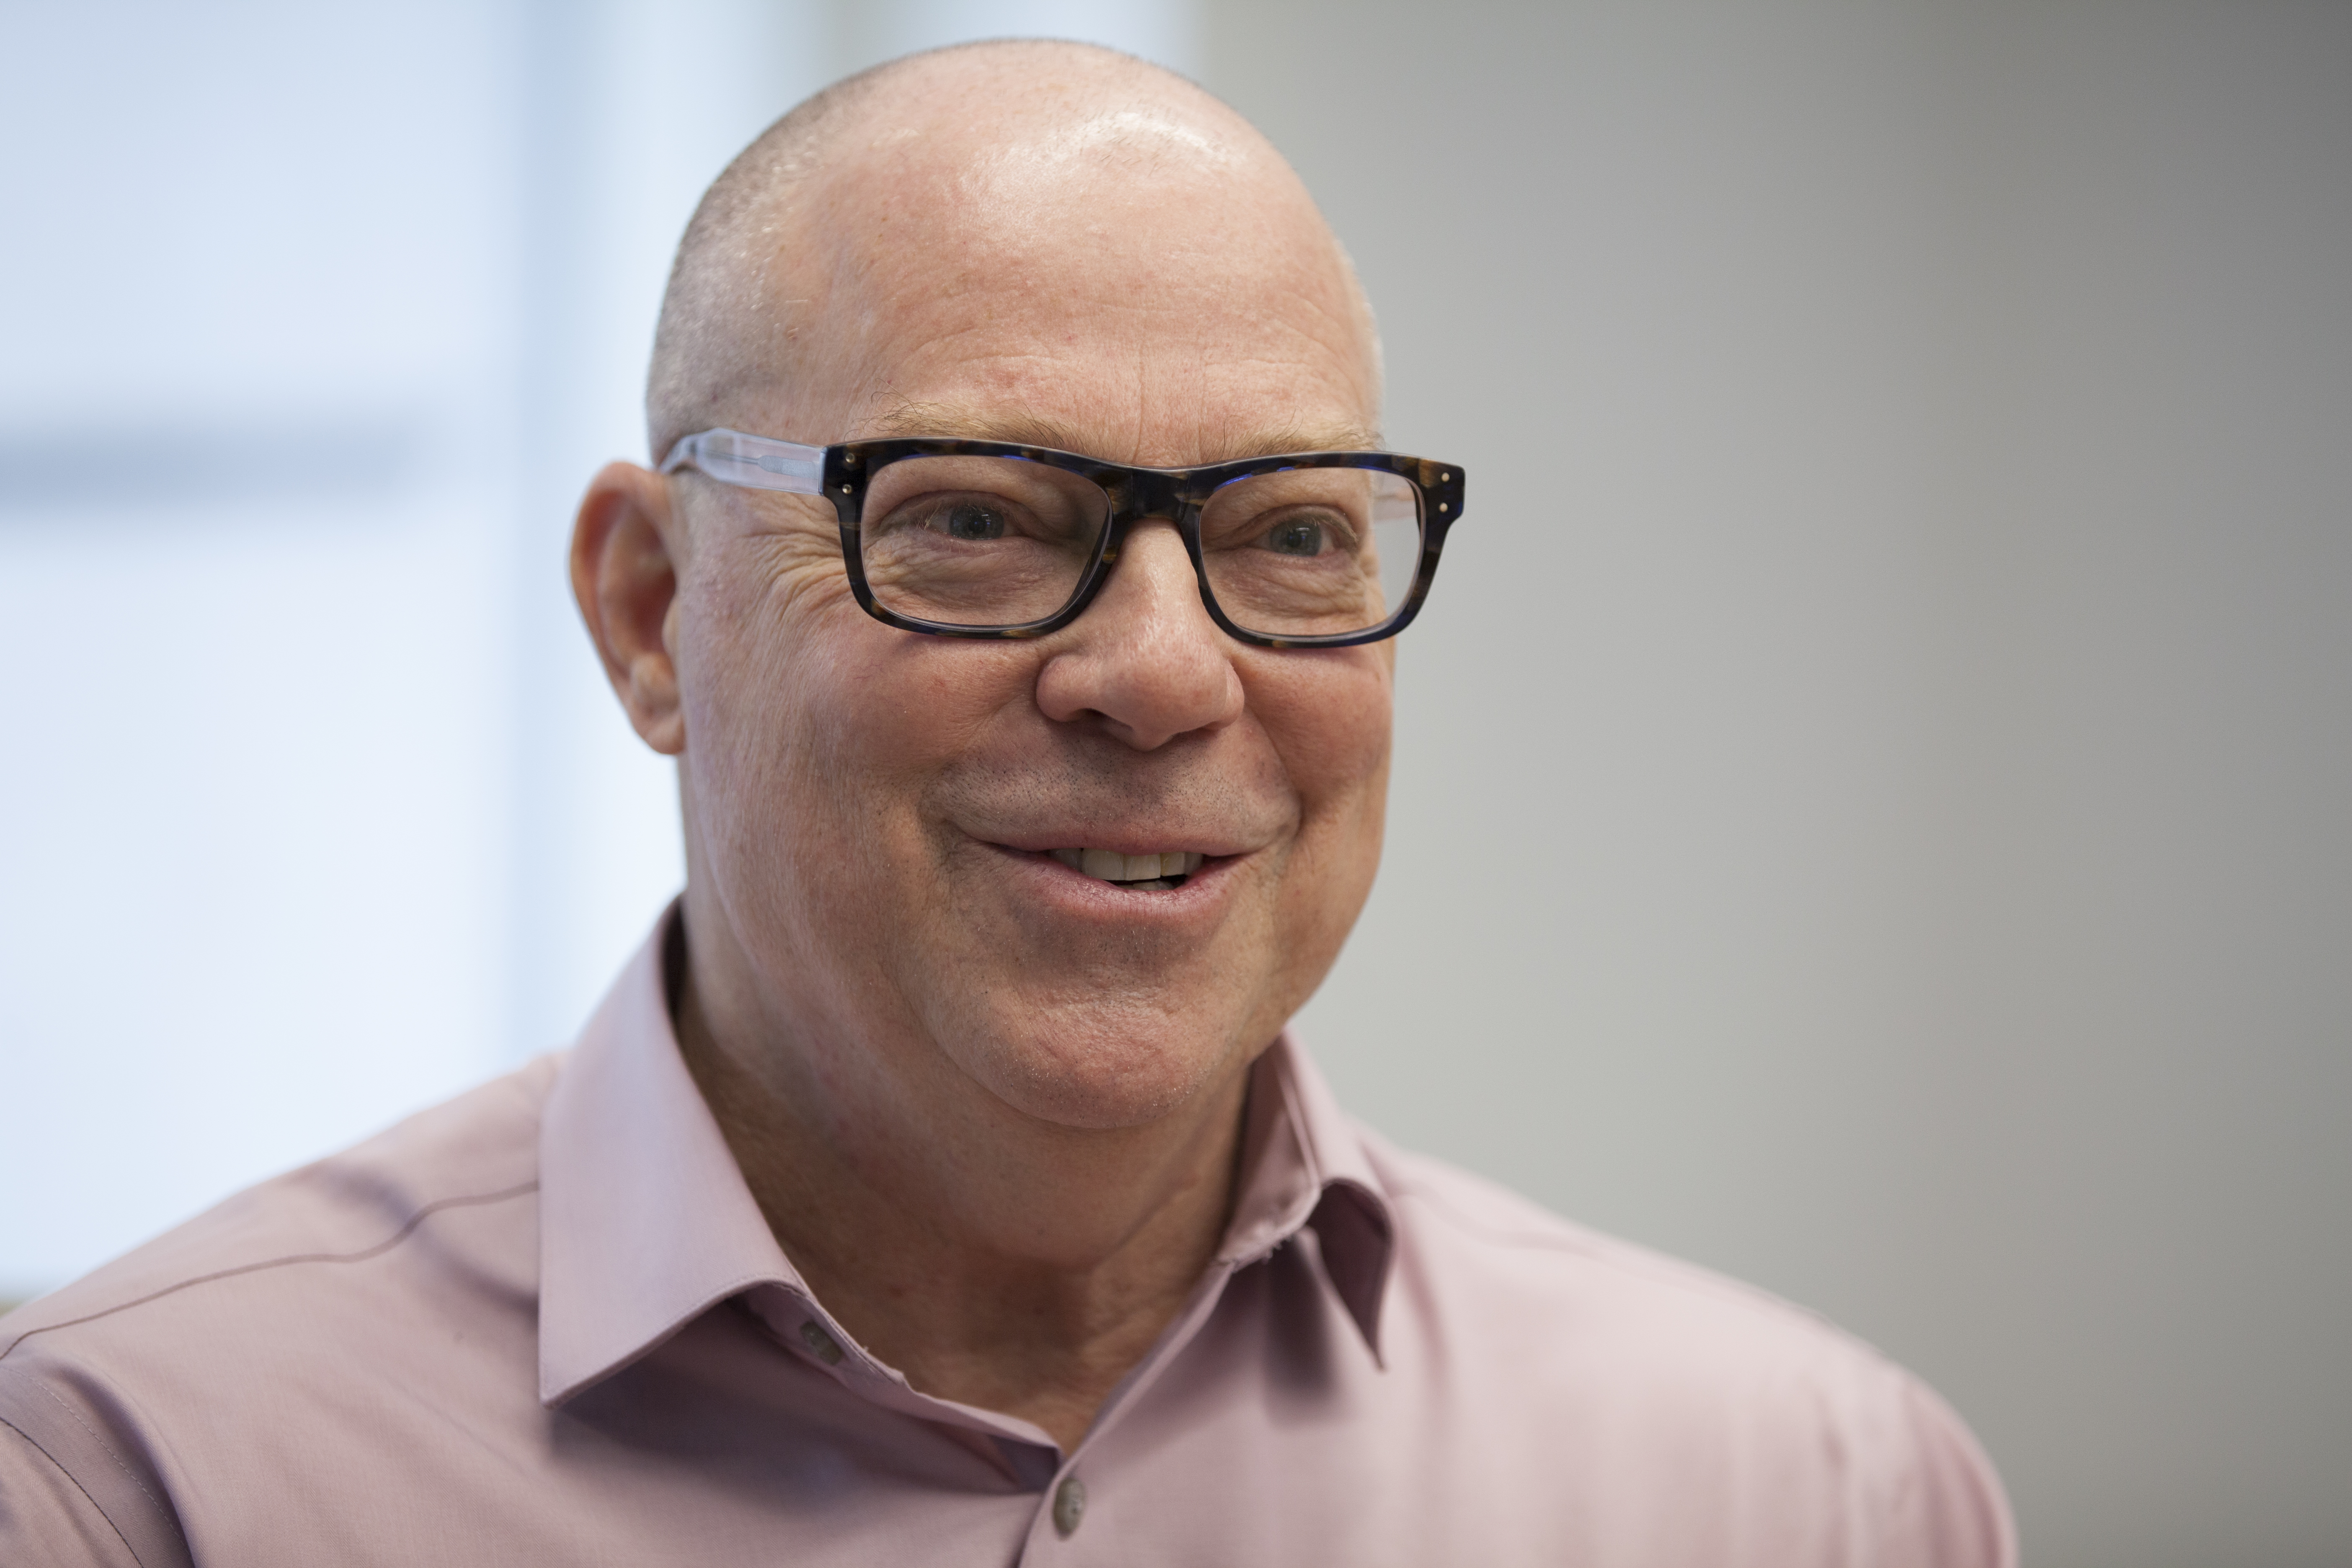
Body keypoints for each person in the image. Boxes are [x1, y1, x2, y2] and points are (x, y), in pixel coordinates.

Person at [0, 40, 2012, 1566]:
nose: (1160, 671)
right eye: (969, 516)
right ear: (648, 614)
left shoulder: (1810, 1496)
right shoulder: (133, 1483)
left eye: (1295, 534)